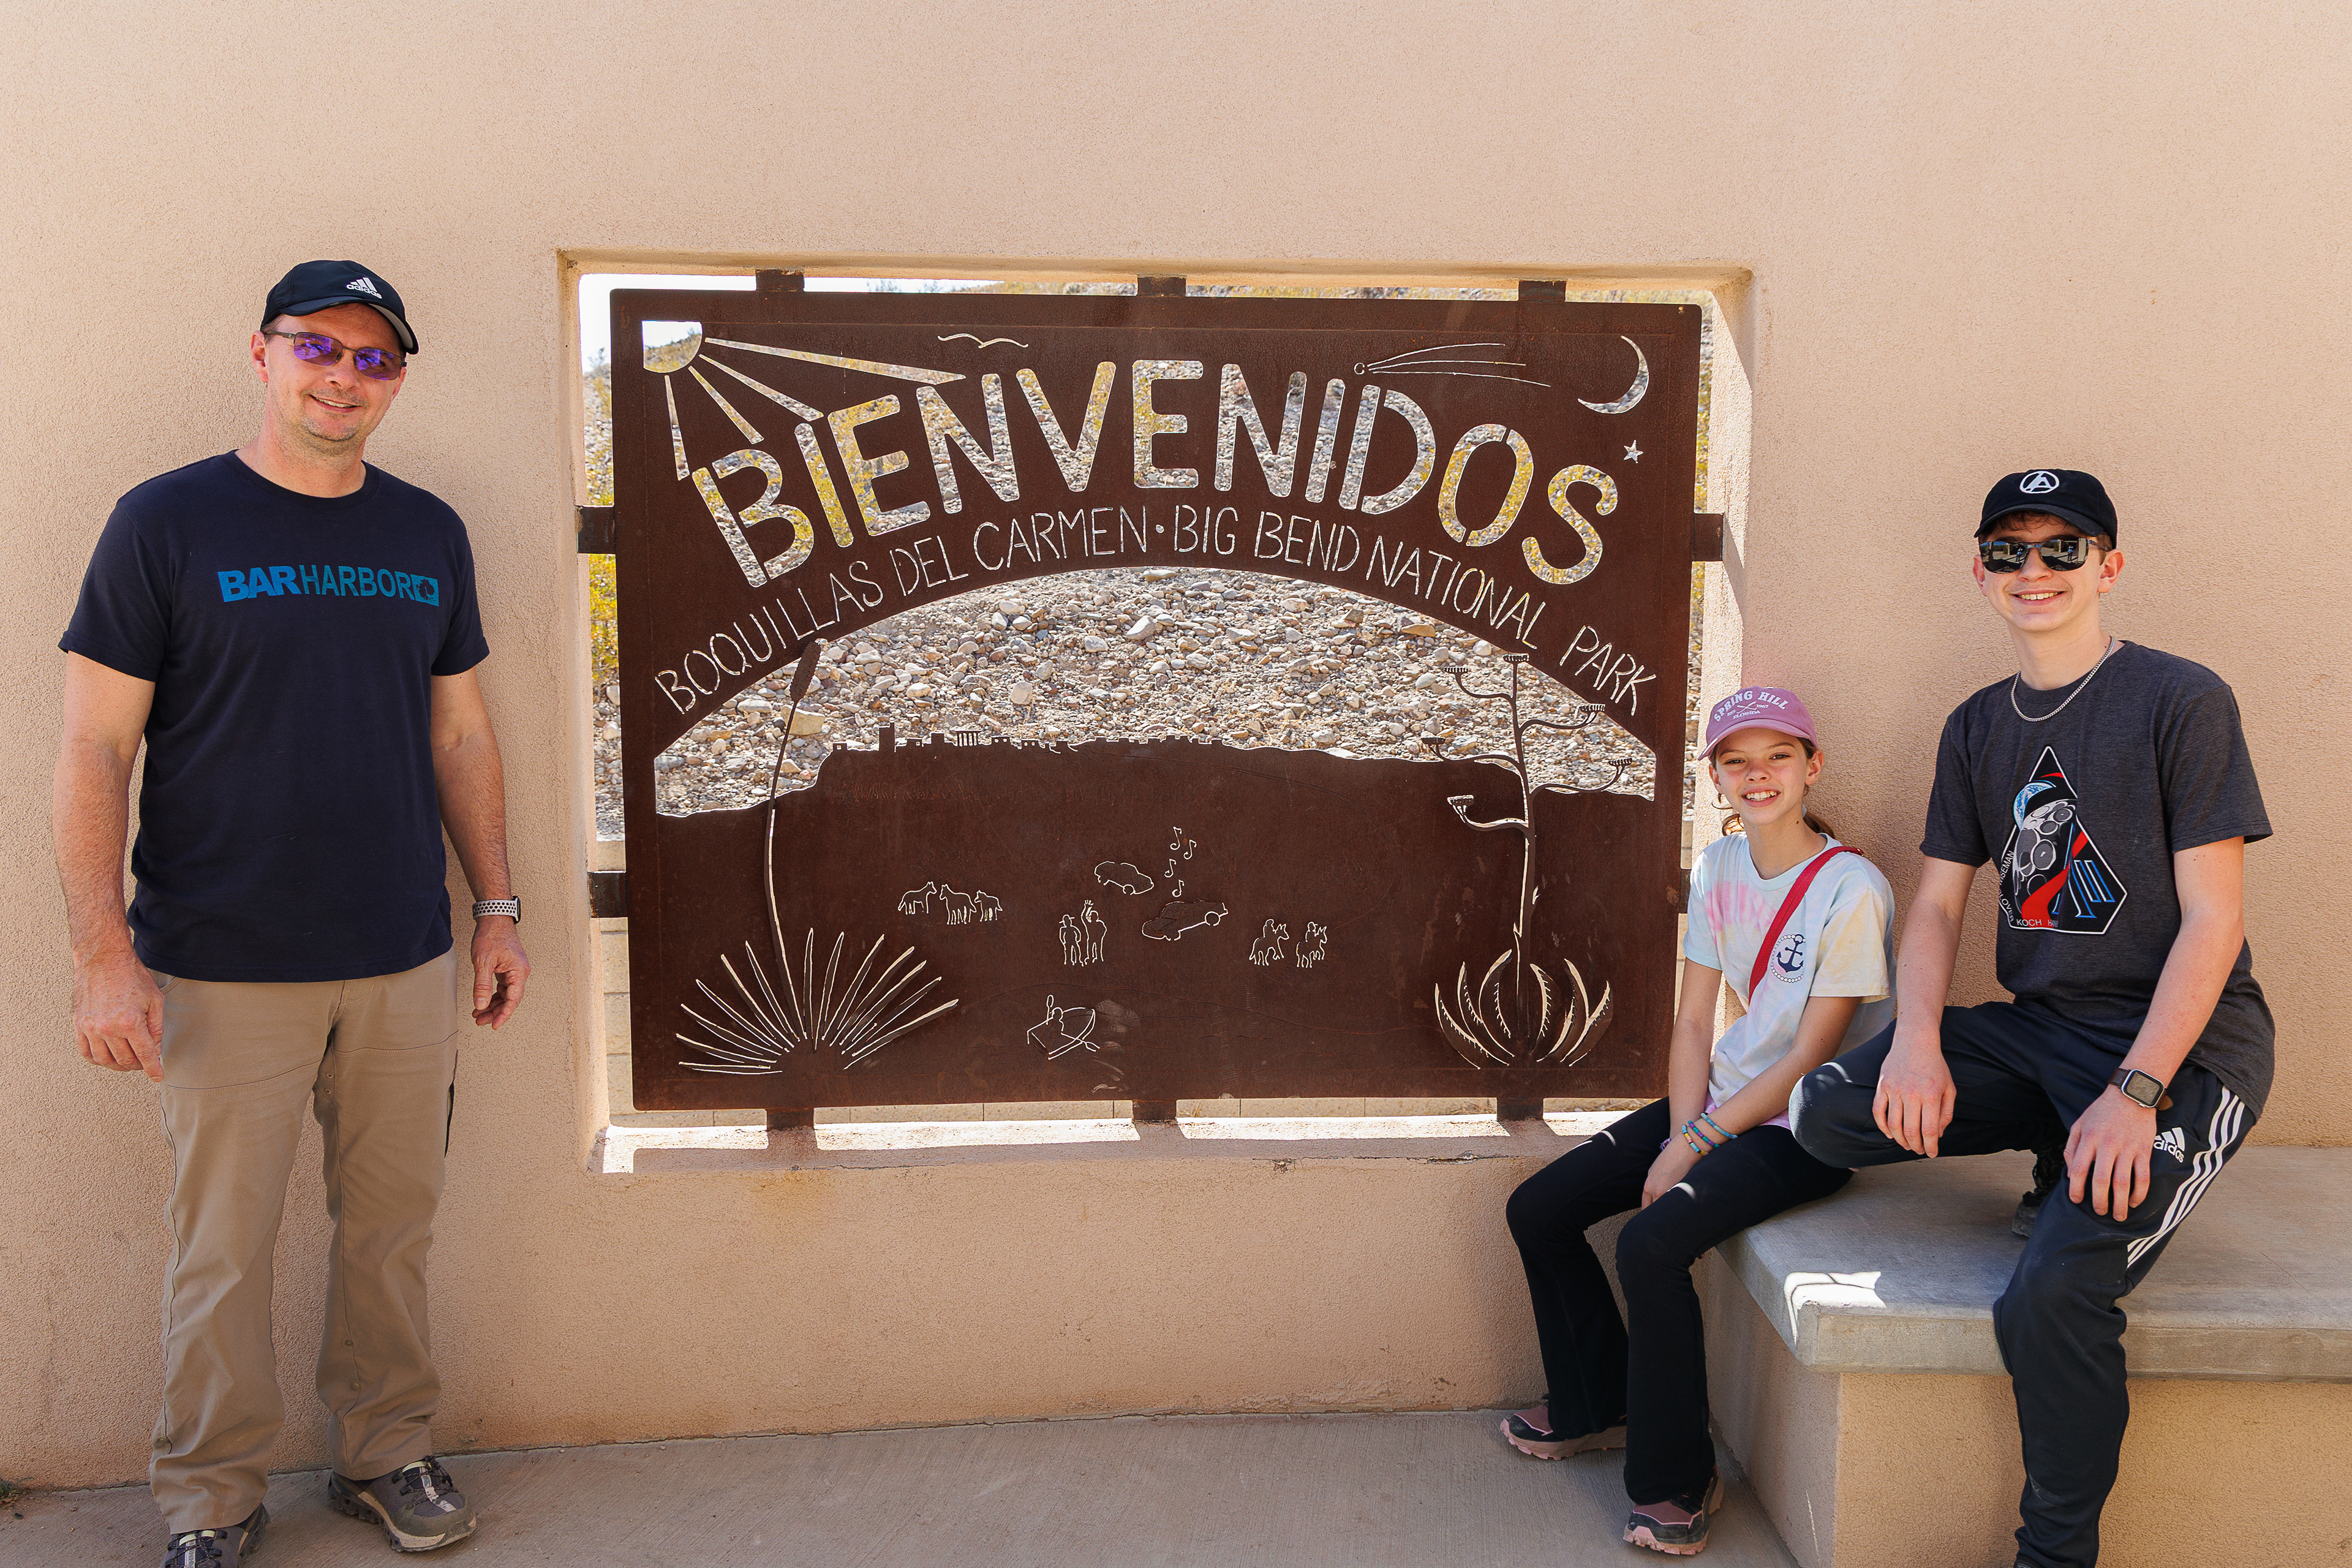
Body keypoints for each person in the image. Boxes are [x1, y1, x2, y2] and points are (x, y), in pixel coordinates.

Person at [54, 262, 529, 1567]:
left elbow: (461, 729)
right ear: (261, 355)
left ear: (397, 383)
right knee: (223, 1247)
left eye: (374, 359)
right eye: (318, 347)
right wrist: (105, 956)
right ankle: (210, 1493)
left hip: (399, 954)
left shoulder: (427, 531)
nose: (343, 377)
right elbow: (95, 747)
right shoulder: (166, 522)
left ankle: (386, 1450)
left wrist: (496, 906)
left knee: (392, 1228)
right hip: (219, 961)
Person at [1789, 470, 2271, 1568]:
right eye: (2010, 551)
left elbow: (2214, 923)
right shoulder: (1976, 728)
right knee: (1829, 1110)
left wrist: (2136, 1095)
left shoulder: (2180, 699)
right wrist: (1914, 1040)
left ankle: (2055, 1555)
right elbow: (1939, 909)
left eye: (2065, 548)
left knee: (2048, 1297)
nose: (2036, 570)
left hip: (2185, 1050)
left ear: (2110, 566)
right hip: (2044, 1029)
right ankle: (2063, 1140)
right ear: (1981, 573)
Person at [1502, 687, 1893, 1557]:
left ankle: (1679, 1478)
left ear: (1812, 767)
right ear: (1716, 777)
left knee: (1650, 1244)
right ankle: (1597, 1399)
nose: (1759, 776)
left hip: (1805, 1127)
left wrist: (1696, 1145)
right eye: (1737, 761)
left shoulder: (1852, 890)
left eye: (1778, 757)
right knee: (1539, 1208)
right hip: (1718, 1106)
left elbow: (1808, 1056)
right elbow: (1692, 1023)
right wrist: (1684, 1127)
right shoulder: (1719, 869)